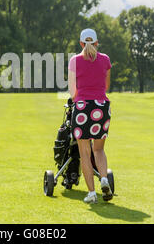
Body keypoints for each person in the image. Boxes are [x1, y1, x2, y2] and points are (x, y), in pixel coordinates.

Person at [68, 28, 113, 204]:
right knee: (99, 150)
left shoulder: (74, 61)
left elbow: (73, 92)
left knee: (85, 154)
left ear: (80, 43)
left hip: (82, 108)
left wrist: (80, 97)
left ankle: (92, 194)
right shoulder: (106, 59)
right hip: (101, 108)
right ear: (96, 42)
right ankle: (103, 179)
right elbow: (106, 86)